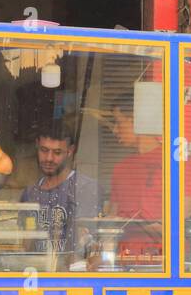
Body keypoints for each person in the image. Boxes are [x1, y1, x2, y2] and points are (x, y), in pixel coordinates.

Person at [19, 123, 101, 261]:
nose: (49, 158)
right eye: (44, 150)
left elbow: (89, 242)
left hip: (73, 277)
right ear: (37, 146)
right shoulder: (30, 193)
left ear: (70, 151)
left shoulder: (85, 188)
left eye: (57, 152)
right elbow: (25, 243)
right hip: (36, 272)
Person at [107, 106, 164, 260]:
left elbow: (181, 221)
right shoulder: (120, 168)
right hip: (124, 259)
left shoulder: (174, 163)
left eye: (118, 123)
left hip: (165, 261)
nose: (114, 131)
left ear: (136, 120)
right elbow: (112, 221)